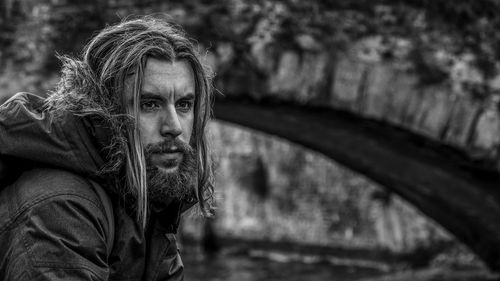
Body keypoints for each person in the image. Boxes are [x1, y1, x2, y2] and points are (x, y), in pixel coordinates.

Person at [0, 16, 214, 281]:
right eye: (149, 104)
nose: (174, 126)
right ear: (105, 109)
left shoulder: (143, 196)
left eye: (183, 105)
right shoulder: (60, 206)